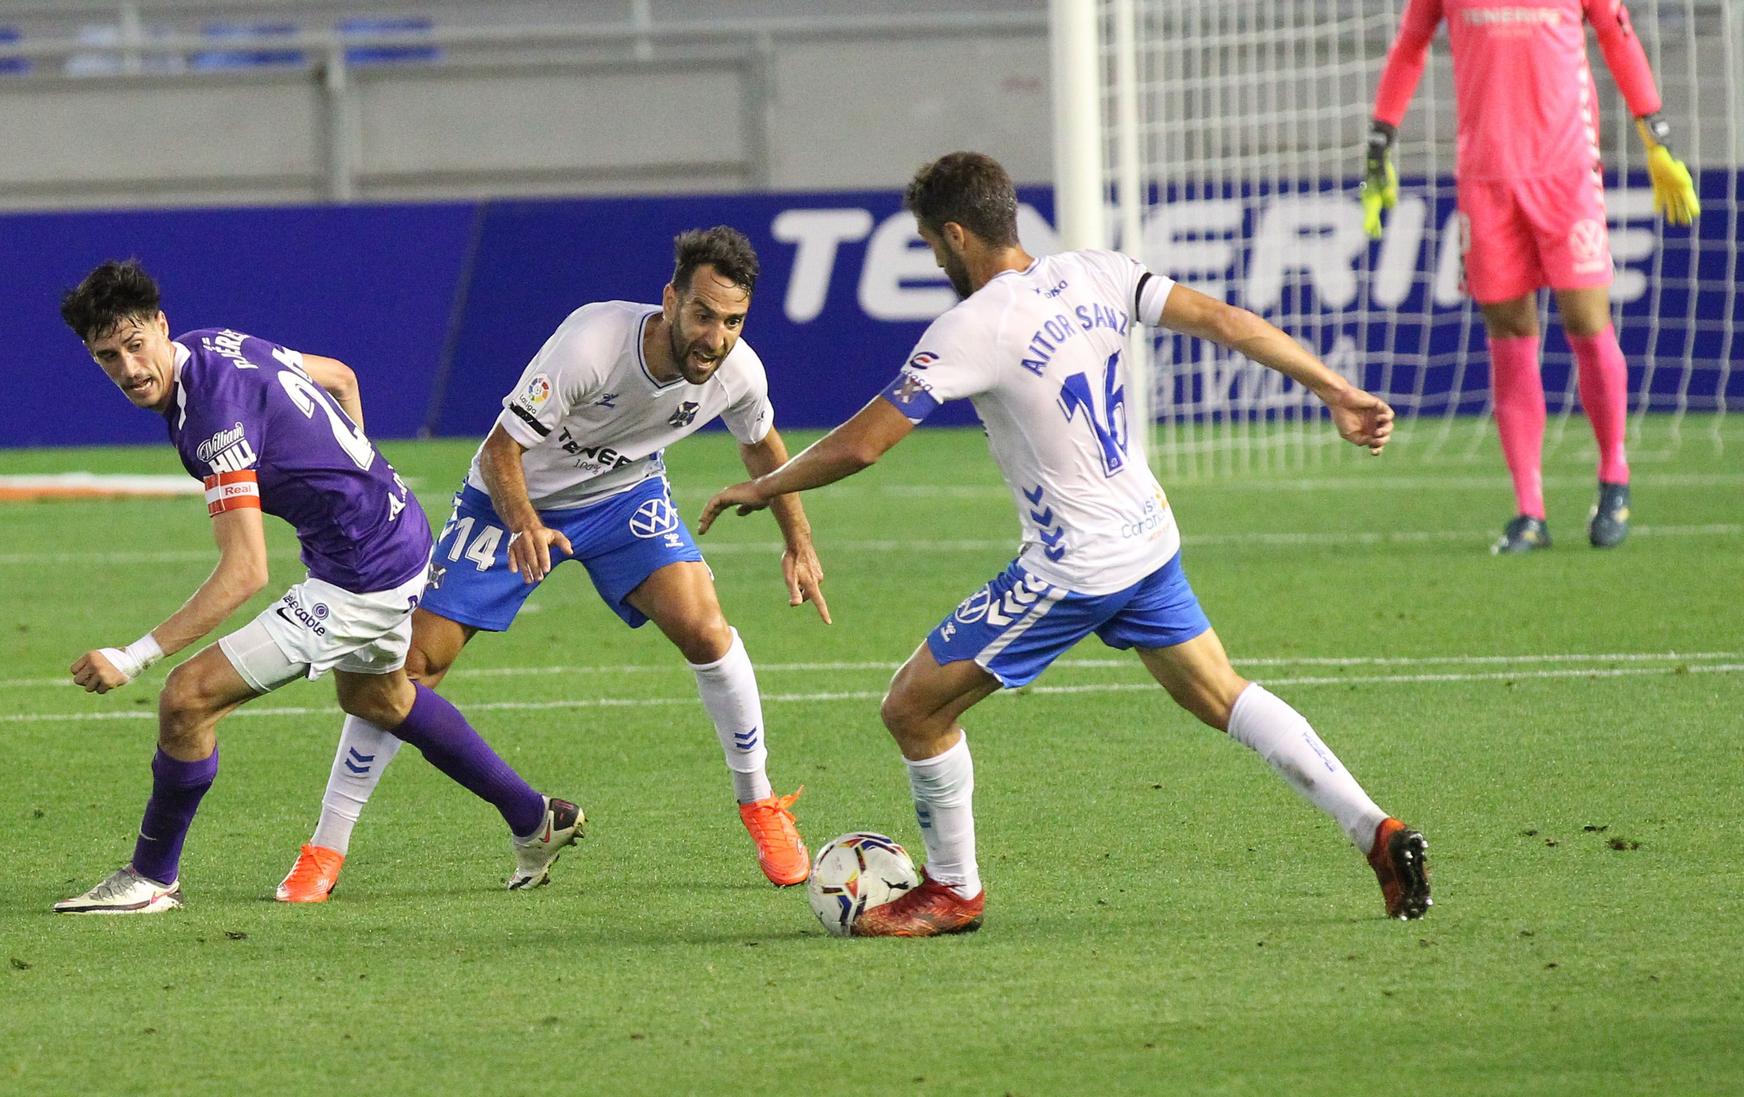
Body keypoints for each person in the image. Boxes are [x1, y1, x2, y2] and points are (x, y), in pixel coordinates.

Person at [700, 152, 1431, 937]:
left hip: (1074, 565)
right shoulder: (1100, 272)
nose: (935, 260)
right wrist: (1334, 386)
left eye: (930, 245)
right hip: (1147, 535)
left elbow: (866, 442)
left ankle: (953, 889)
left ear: (955, 235)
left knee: (912, 709)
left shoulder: (972, 324)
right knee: (1221, 691)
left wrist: (767, 485)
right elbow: (1225, 319)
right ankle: (1376, 831)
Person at [273, 227, 828, 903]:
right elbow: (501, 450)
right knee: (410, 667)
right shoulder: (593, 344)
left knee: (707, 629)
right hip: (511, 498)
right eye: (704, 314)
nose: (715, 336)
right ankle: (326, 845)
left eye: (733, 320)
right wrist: (525, 523)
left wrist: (796, 537)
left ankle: (760, 804)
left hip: (624, 497)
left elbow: (764, 446)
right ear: (670, 301)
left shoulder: (738, 371)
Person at [53, 259, 583, 914]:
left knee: (185, 700)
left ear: (161, 326)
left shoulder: (213, 417)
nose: (130, 368)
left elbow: (246, 569)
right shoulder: (214, 343)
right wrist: (355, 477)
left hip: (361, 574)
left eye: (136, 345)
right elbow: (340, 376)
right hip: (397, 532)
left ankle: (152, 877)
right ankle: (536, 817)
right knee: (382, 697)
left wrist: (130, 655)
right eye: (109, 357)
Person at [1360, 0, 1700, 554]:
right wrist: (1380, 141)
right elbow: (1409, 47)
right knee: (1510, 333)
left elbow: (1618, 36)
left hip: (1567, 174)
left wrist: (1655, 137)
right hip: (1486, 178)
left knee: (1586, 322)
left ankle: (1614, 477)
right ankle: (1529, 512)